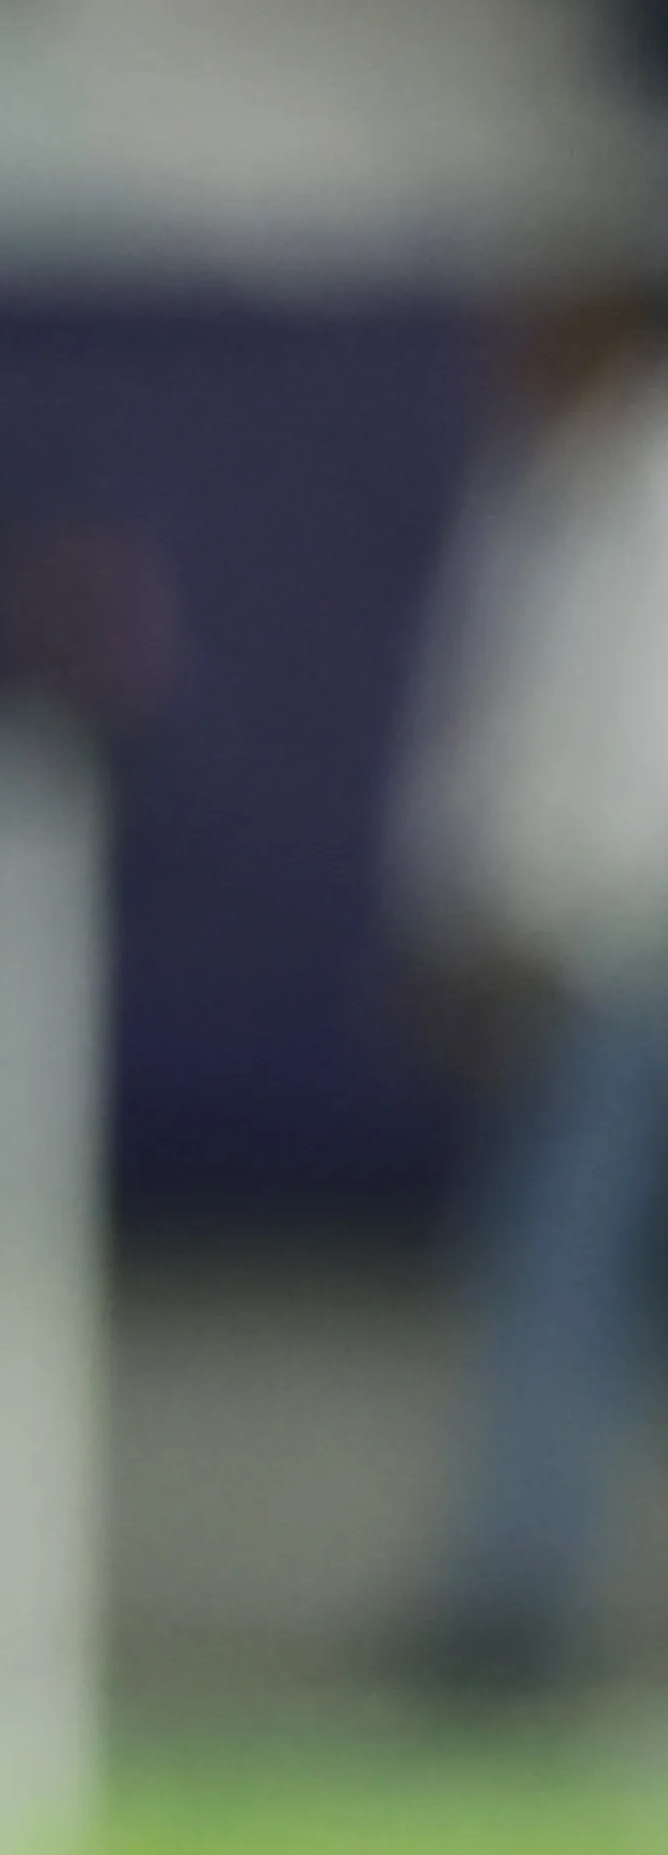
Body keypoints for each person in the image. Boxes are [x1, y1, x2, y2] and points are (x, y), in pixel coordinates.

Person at [396, 272, 668, 1700]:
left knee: (564, 1281)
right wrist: (462, 913)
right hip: (578, 962)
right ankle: (515, 1601)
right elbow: (487, 733)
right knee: (553, 1285)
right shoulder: (532, 492)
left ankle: (515, 1595)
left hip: (634, 940)